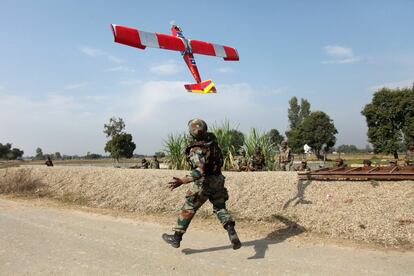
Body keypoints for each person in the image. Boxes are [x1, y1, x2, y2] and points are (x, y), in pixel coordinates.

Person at [162, 119, 241, 250]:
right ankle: (231, 230)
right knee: (220, 208)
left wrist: (182, 180)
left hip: (204, 183)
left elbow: (200, 170)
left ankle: (176, 238)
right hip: (218, 180)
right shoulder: (212, 141)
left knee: (189, 207)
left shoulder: (196, 149)